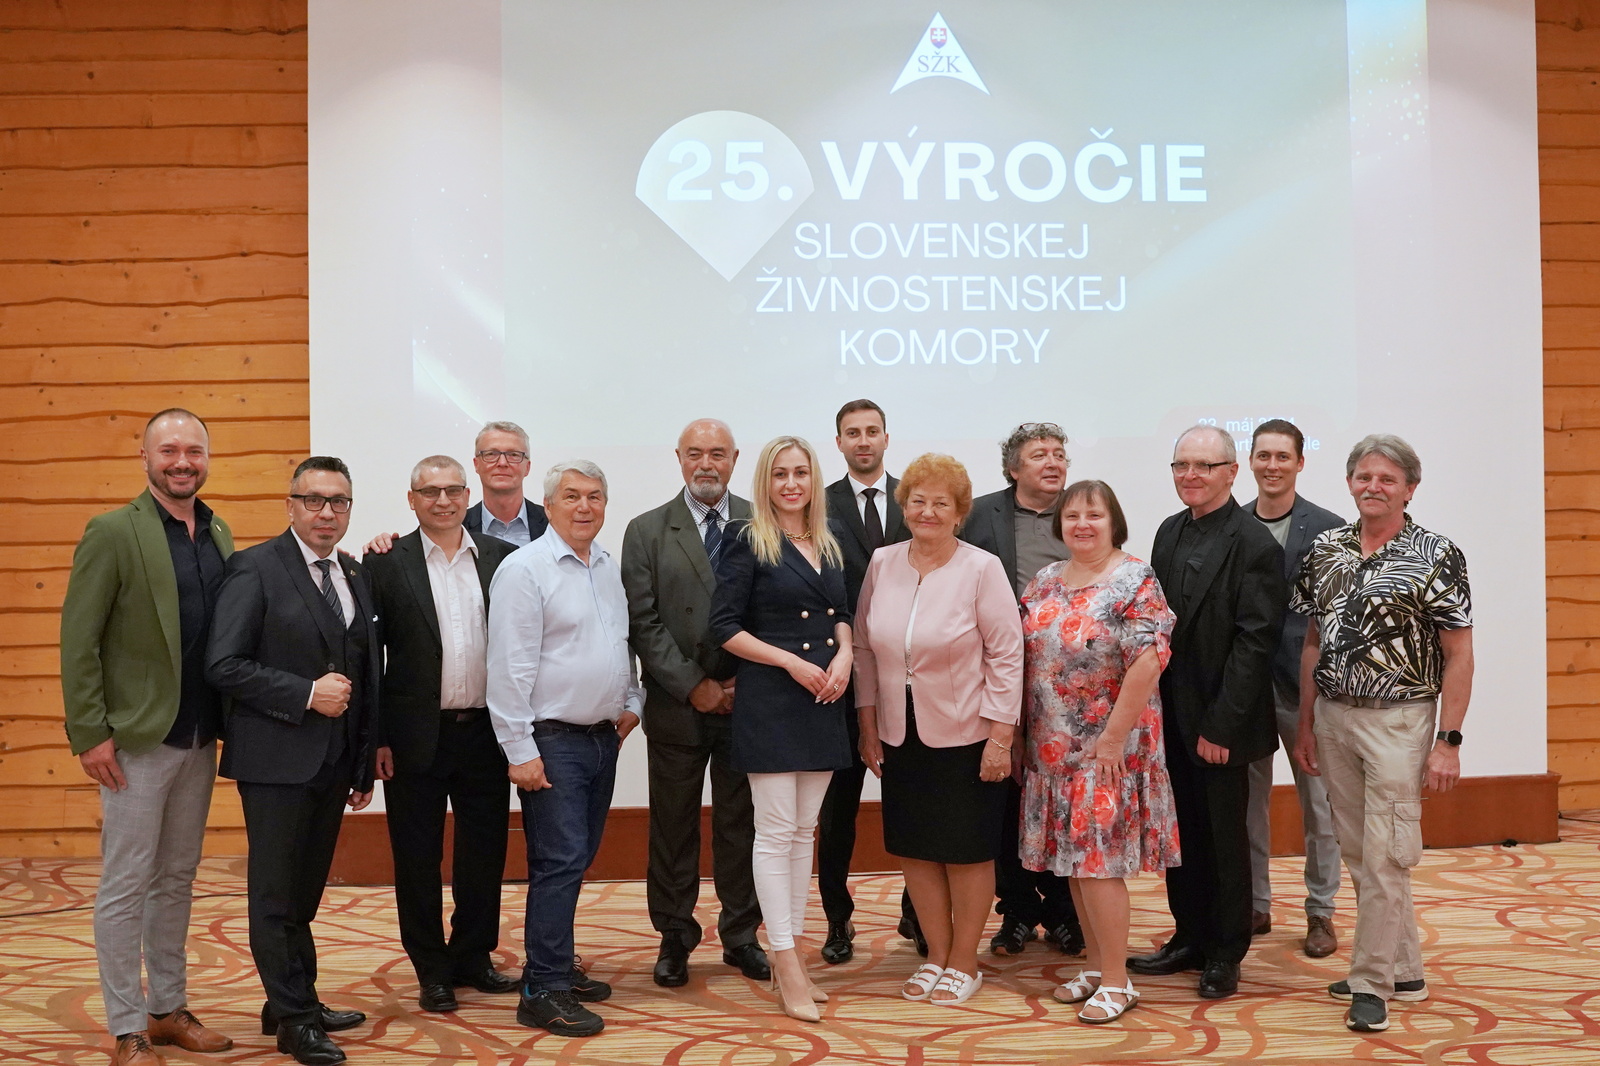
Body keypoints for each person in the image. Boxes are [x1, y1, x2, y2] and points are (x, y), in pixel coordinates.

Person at [61, 409, 236, 1066]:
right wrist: (90, 733)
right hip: (136, 740)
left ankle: (167, 1008)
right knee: (126, 882)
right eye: (169, 451)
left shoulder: (217, 531)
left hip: (200, 736)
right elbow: (79, 641)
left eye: (193, 450)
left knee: (177, 878)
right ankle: (127, 1025)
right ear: (145, 457)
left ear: (207, 458)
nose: (182, 462)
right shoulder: (112, 532)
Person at [1290, 434, 1473, 1034]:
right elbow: (1312, 641)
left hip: (1400, 720)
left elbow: (1459, 654)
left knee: (1389, 852)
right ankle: (1406, 971)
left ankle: (1371, 984)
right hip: (1333, 716)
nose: (1374, 487)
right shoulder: (1325, 549)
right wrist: (1305, 723)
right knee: (1359, 851)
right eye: (1364, 476)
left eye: (1388, 479)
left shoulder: (1437, 555)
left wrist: (1448, 740)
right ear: (1350, 483)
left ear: (1410, 489)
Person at [206, 456, 380, 1066]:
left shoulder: (352, 572)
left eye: (339, 501)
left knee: (304, 893)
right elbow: (223, 664)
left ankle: (291, 999)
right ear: (290, 505)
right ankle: (295, 1022)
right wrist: (305, 693)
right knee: (275, 896)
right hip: (275, 760)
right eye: (314, 500)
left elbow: (365, 672)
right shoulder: (253, 568)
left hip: (333, 764)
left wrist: (361, 762)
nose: (326, 512)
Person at [854, 454, 1022, 1007]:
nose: (927, 511)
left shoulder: (981, 568)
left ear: (959, 512)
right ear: (903, 507)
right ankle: (936, 954)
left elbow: (1007, 654)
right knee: (916, 848)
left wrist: (1000, 737)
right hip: (899, 733)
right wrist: (868, 723)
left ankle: (965, 961)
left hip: (968, 734)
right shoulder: (882, 562)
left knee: (967, 850)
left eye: (940, 503)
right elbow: (864, 648)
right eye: (917, 501)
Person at [1128, 425, 1286, 1001]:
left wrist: (1221, 725)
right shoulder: (1169, 530)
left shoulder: (1256, 544)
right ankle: (1188, 936)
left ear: (1231, 473)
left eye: (1204, 465)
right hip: (1169, 714)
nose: (1190, 475)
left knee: (1223, 841)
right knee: (1182, 832)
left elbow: (1254, 644)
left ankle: (1225, 951)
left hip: (1222, 721)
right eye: (1181, 465)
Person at [487, 460, 643, 1038]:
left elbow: (619, 643)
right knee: (557, 862)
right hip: (550, 741)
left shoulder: (605, 565)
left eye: (595, 496)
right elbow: (508, 667)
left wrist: (632, 702)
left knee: (575, 859)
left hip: (603, 738)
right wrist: (519, 750)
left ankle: (556, 964)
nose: (584, 506)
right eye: (572, 496)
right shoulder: (524, 570)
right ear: (548, 506)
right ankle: (542, 988)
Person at [361, 456, 520, 1013]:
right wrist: (377, 737)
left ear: (468, 494)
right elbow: (370, 658)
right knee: (417, 857)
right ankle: (431, 969)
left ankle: (473, 956)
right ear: (411, 500)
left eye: (454, 490)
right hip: (413, 737)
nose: (444, 500)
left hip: (484, 733)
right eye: (430, 492)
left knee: (484, 853)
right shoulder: (384, 562)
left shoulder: (501, 558)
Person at [1019, 481, 1180, 1024]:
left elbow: (1150, 660)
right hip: (1052, 750)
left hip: (1109, 749)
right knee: (1074, 863)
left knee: (1097, 864)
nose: (1082, 524)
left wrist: (1111, 739)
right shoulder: (1045, 580)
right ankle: (1095, 967)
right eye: (1072, 516)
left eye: (1094, 515)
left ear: (1114, 522)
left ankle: (1117, 981)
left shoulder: (1135, 578)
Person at [710, 436, 854, 1023]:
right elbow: (724, 627)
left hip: (823, 698)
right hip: (773, 699)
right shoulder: (746, 537)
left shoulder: (829, 536)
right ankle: (786, 959)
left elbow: (841, 612)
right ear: (765, 483)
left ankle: (791, 952)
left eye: (800, 473)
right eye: (779, 474)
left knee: (802, 833)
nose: (791, 484)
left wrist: (846, 653)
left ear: (814, 478)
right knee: (773, 834)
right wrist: (790, 662)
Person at [621, 419, 768, 988]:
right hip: (677, 706)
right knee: (673, 827)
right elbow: (643, 622)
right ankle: (675, 935)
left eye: (718, 454)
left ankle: (741, 934)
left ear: (735, 458)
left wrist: (741, 684)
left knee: (741, 825)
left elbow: (773, 613)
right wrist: (694, 685)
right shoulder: (646, 530)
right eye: (695, 453)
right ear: (679, 458)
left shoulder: (763, 521)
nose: (706, 464)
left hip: (746, 703)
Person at [959, 422, 1083, 958]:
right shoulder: (979, 514)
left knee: (1061, 795)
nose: (1052, 463)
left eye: (1059, 454)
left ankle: (1064, 911)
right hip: (997, 674)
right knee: (1005, 796)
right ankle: (1015, 909)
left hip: (1069, 685)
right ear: (1013, 469)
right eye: (1039, 455)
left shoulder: (1081, 513)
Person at [819, 399, 918, 964]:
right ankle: (838, 920)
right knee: (837, 815)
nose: (863, 441)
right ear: (839, 442)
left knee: (913, 803)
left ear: (886, 437)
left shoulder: (915, 500)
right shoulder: (818, 504)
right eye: (852, 433)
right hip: (838, 678)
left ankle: (916, 913)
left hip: (909, 680)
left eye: (872, 431)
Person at [1242, 419, 1344, 957]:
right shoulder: (1232, 525)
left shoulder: (1330, 529)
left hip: (1307, 690)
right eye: (1264, 455)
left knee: (1320, 808)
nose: (1272, 465)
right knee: (1248, 806)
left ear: (1300, 463)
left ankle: (1320, 913)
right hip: (1247, 690)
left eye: (1283, 456)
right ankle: (1255, 904)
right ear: (1250, 461)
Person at [465, 421, 549, 546]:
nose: (502, 463)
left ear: (527, 467)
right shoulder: (458, 526)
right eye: (491, 454)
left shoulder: (553, 524)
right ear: (476, 464)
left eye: (513, 455)